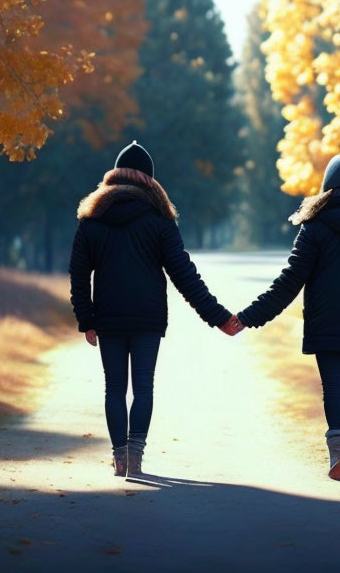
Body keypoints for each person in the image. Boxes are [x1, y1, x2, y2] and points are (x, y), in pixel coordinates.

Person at [69, 141, 243, 477]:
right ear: (149, 180)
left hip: (108, 317)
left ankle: (119, 457)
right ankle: (135, 456)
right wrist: (219, 318)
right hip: (148, 318)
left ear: (113, 177)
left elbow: (78, 275)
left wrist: (86, 318)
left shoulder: (91, 220)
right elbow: (184, 275)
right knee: (144, 386)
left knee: (114, 388)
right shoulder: (160, 220)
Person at [236, 153, 340, 480]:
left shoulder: (314, 229)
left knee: (334, 386)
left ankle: (337, 452)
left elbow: (288, 282)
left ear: (328, 188)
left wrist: (247, 317)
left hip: (325, 324)